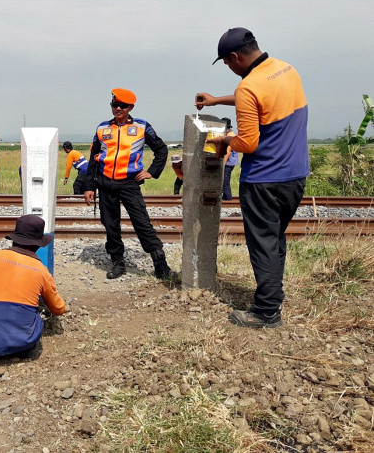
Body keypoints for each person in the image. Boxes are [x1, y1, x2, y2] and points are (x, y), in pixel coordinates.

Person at [197, 27, 309, 329]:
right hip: (295, 176)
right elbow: (261, 100)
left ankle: (266, 312)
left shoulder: (249, 86)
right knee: (274, 239)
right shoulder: (286, 70)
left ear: (235, 57)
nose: (229, 68)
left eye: (226, 63)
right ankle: (274, 295)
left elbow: (248, 143)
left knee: (263, 244)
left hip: (264, 180)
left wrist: (224, 141)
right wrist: (216, 100)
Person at [83, 88, 174, 280]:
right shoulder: (102, 128)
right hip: (105, 183)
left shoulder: (141, 126)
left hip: (129, 183)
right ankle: (118, 262)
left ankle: (160, 264)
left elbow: (161, 149)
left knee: (142, 223)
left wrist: (151, 172)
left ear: (130, 107)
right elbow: (93, 158)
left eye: (122, 106)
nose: (117, 108)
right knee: (110, 225)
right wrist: (89, 186)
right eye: (114, 105)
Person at [0, 214, 66, 361]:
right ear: (38, 245)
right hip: (24, 343)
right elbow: (59, 309)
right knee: (36, 312)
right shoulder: (42, 271)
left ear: (14, 239)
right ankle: (23, 349)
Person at [222, 118, 239, 201]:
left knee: (225, 182)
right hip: (231, 162)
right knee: (224, 181)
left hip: (228, 163)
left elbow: (228, 151)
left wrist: (223, 165)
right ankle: (225, 197)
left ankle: (227, 198)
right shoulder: (232, 134)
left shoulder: (230, 136)